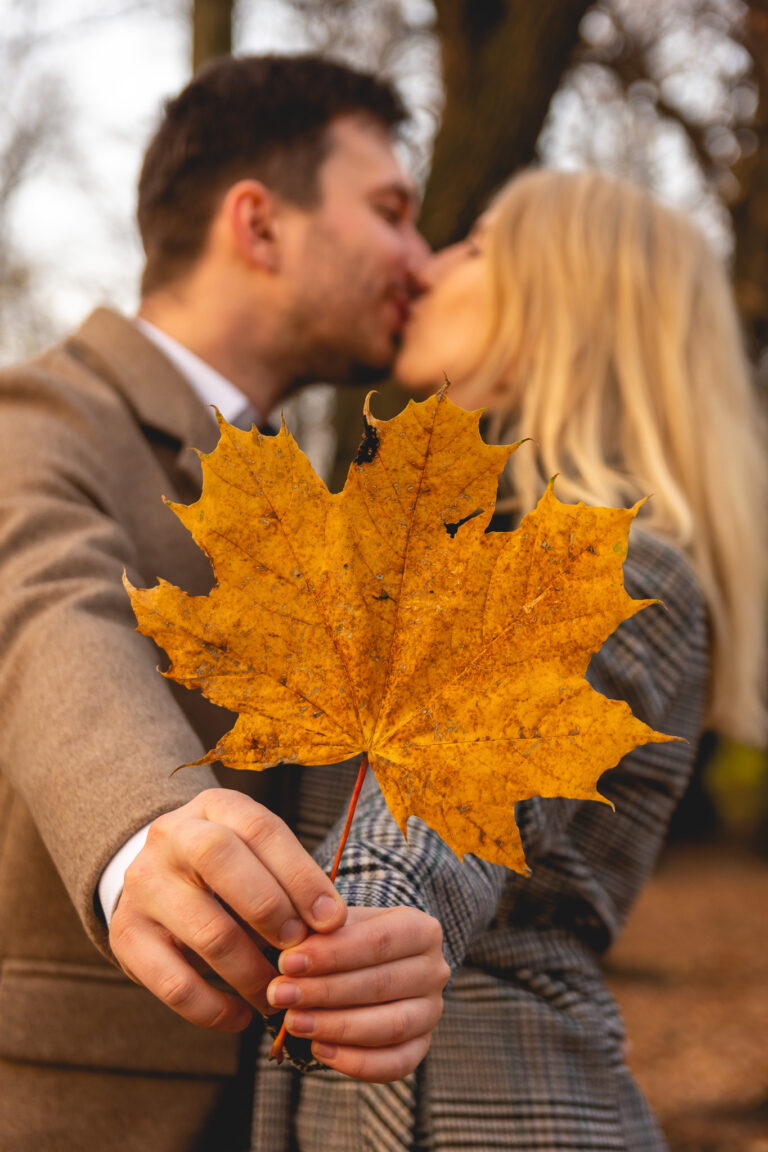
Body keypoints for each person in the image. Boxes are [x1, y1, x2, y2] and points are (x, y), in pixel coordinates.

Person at [253, 168, 767, 1150]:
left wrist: (368, 912)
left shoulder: (613, 563)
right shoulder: (454, 550)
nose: (431, 264)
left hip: (484, 1109)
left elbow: (455, 785)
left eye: (478, 246)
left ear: (565, 307)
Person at [0, 54, 451, 1152]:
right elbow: (40, 603)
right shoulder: (43, 413)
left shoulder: (300, 487)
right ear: (260, 225)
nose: (422, 262)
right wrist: (147, 828)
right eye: (391, 212)